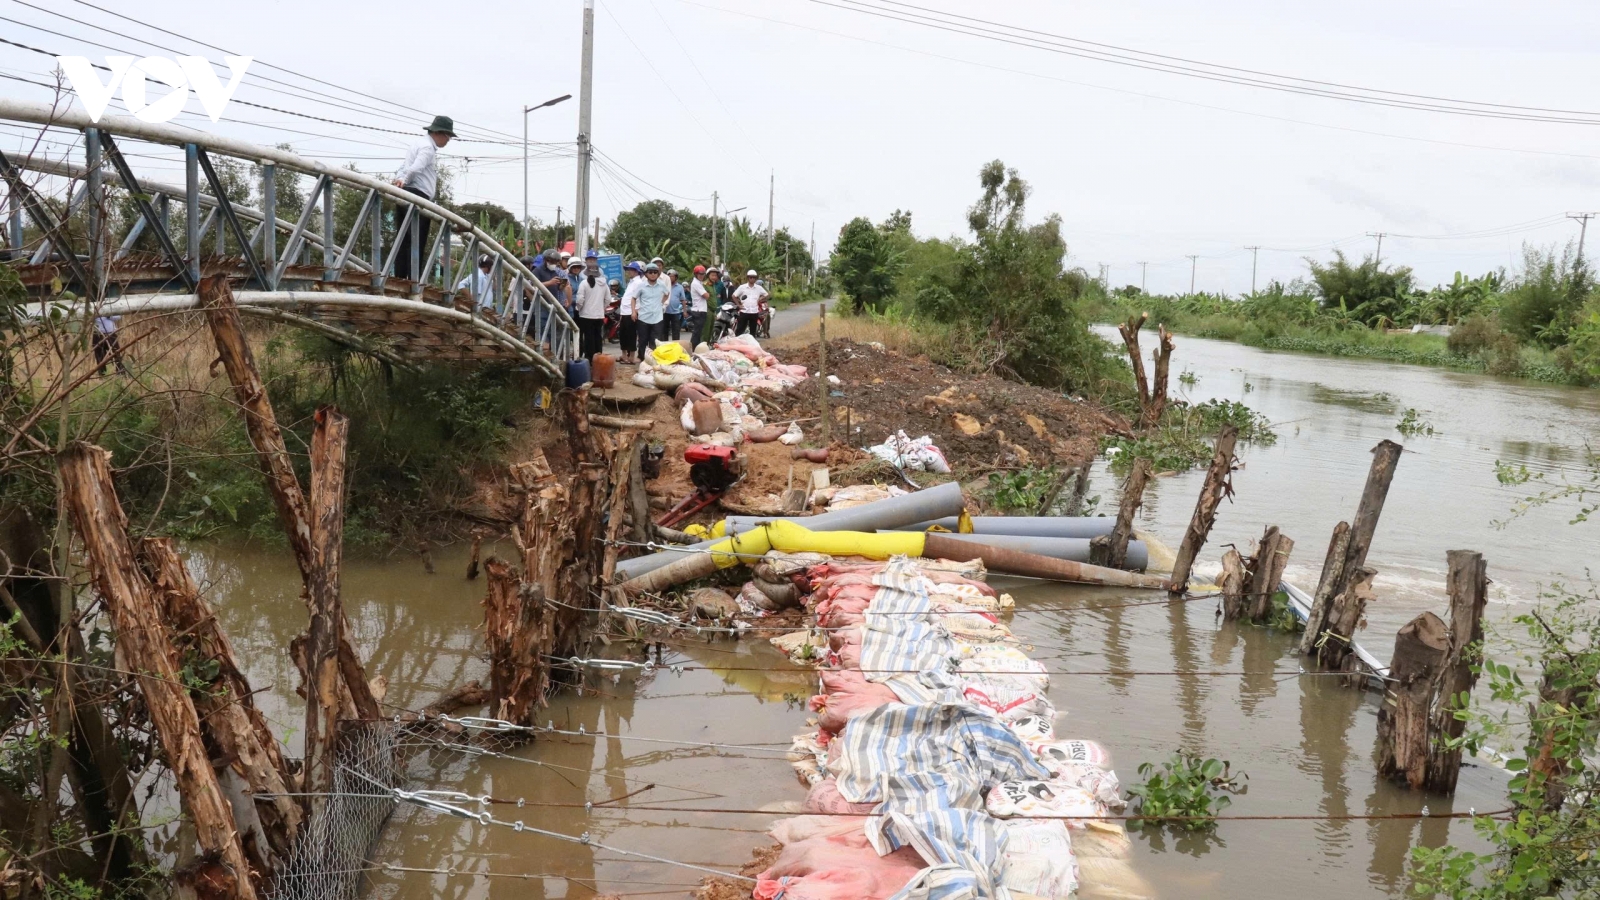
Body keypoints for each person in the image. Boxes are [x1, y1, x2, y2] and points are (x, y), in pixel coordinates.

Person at [391, 115, 453, 280]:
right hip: (418, 195)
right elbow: (415, 168)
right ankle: (413, 279)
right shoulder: (427, 148)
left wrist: (400, 180)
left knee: (403, 238)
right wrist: (404, 180)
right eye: (447, 137)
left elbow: (405, 167)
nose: (447, 141)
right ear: (439, 133)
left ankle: (400, 276)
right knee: (417, 239)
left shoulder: (417, 144)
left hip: (406, 193)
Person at [572, 259, 611, 362]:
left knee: (588, 338)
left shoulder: (584, 283)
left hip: (586, 315)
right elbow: (608, 299)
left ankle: (590, 359)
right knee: (598, 337)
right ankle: (599, 358)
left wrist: (579, 309)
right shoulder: (604, 284)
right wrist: (602, 308)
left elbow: (580, 300)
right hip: (599, 315)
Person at [632, 262, 669, 361]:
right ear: (646, 274)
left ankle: (652, 359)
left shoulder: (662, 285)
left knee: (655, 340)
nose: (653, 274)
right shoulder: (641, 285)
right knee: (643, 339)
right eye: (650, 272)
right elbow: (633, 298)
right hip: (644, 317)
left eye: (655, 272)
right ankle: (641, 357)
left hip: (657, 317)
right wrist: (633, 312)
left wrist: (661, 303)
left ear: (658, 274)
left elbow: (667, 294)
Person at [617, 260, 644, 363]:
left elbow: (639, 299)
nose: (629, 272)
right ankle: (624, 355)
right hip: (625, 312)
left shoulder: (638, 283)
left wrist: (635, 311)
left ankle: (631, 356)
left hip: (631, 312)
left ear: (636, 271)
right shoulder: (631, 282)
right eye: (628, 270)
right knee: (623, 335)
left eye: (631, 270)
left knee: (631, 335)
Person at [733, 269, 768, 337]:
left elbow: (767, 294)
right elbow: (734, 296)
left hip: (754, 312)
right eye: (750, 277)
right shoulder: (742, 287)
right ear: (748, 278)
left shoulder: (758, 288)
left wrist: (760, 299)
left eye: (754, 277)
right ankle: (737, 344)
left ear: (756, 279)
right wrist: (738, 305)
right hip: (744, 311)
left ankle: (751, 345)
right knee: (740, 330)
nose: (752, 279)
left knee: (753, 331)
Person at [687, 265, 709, 346]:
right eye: (700, 274)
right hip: (699, 311)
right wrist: (708, 293)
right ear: (696, 274)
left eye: (703, 274)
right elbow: (706, 296)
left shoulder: (699, 283)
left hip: (700, 310)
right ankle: (693, 349)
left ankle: (694, 348)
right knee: (697, 332)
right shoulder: (696, 284)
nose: (702, 276)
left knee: (698, 332)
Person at [664, 268, 685, 342]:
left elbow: (683, 300)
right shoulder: (664, 285)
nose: (670, 278)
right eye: (669, 276)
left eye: (672, 276)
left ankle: (675, 346)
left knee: (676, 331)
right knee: (664, 331)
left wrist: (685, 311)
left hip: (675, 312)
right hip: (665, 312)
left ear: (676, 277)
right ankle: (664, 346)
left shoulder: (680, 287)